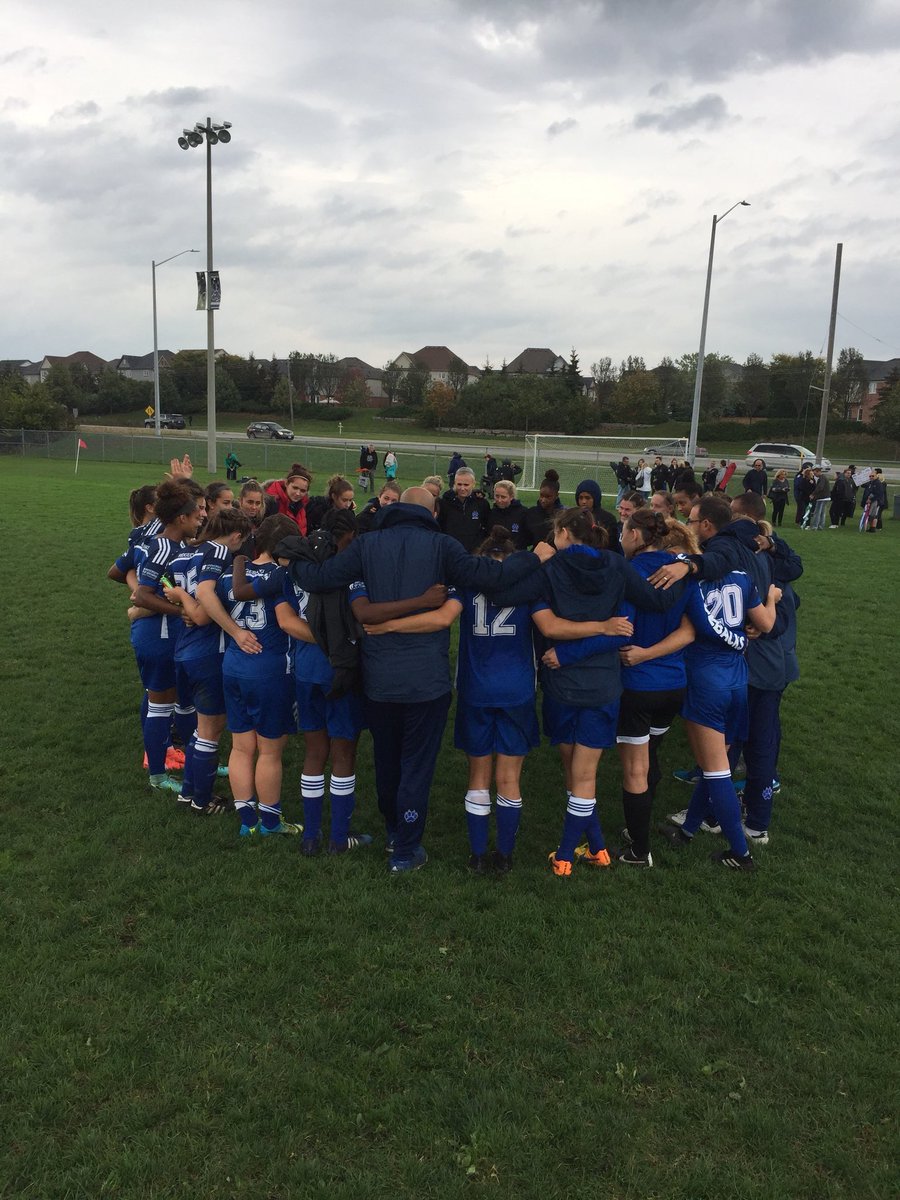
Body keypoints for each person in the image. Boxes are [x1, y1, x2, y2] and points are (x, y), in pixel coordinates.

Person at [279, 487, 551, 873]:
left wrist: (292, 561)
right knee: (416, 766)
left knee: (387, 760)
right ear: (433, 510)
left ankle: (394, 831)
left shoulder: (366, 544)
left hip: (379, 679)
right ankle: (406, 849)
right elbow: (495, 575)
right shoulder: (444, 545)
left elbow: (322, 577)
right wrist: (534, 557)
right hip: (427, 681)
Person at [658, 495, 780, 870]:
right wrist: (773, 597)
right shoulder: (743, 579)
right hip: (737, 678)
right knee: (717, 760)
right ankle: (689, 829)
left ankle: (740, 853)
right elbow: (767, 625)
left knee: (714, 769)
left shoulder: (691, 586)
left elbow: (685, 632)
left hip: (705, 678)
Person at [161, 507, 259, 813]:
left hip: (184, 650)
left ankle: (188, 792)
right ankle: (201, 802)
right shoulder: (219, 550)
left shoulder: (183, 554)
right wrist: (236, 631)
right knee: (211, 730)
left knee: (202, 728)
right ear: (236, 535)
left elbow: (180, 596)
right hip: (208, 651)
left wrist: (181, 599)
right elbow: (203, 607)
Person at [616, 509, 698, 866]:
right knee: (651, 759)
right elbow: (689, 629)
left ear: (636, 535)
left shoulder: (630, 572)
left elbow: (623, 629)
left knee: (635, 768)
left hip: (638, 683)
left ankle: (639, 850)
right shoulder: (682, 570)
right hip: (674, 683)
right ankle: (638, 826)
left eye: (623, 531)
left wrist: (640, 654)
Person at [218, 514, 302, 838]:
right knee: (269, 751)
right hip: (270, 670)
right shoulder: (283, 576)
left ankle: (247, 822)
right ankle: (270, 823)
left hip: (234, 666)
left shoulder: (230, 575)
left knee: (241, 747)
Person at [127, 481, 205, 793]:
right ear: (180, 519)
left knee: (185, 703)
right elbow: (142, 596)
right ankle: (158, 775)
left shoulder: (182, 547)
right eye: (195, 514)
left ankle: (195, 757)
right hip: (156, 637)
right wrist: (179, 611)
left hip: (176, 636)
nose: (200, 517)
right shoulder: (159, 548)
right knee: (161, 705)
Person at [437, 467, 490, 552]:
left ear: (473, 484)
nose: (462, 488)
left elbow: (486, 528)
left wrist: (479, 545)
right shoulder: (445, 502)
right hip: (450, 551)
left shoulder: (481, 503)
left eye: (466, 485)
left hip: (473, 553)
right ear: (454, 483)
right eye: (459, 484)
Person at [264, 465, 328, 534]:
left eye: (302, 491)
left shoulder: (301, 506)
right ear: (286, 483)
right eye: (295, 488)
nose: (298, 493)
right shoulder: (271, 502)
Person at [575, 478, 620, 554]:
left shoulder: (608, 519)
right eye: (580, 498)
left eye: (587, 498)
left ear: (596, 498)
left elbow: (612, 547)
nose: (584, 502)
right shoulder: (574, 516)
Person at [524, 470, 563, 547]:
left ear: (556, 495)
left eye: (548, 497)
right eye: (541, 495)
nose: (543, 500)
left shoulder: (562, 515)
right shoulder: (531, 513)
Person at [488, 480, 529, 549]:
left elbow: (528, 536)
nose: (499, 500)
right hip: (496, 555)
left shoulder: (523, 513)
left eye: (503, 497)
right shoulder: (492, 513)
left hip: (516, 555)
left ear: (511, 497)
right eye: (497, 496)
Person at [807, 466, 831, 530]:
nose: (814, 475)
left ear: (818, 471)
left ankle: (814, 526)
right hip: (826, 497)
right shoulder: (823, 477)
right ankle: (821, 526)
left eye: (815, 473)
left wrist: (813, 494)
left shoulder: (822, 478)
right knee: (822, 513)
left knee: (817, 512)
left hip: (822, 498)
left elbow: (820, 487)